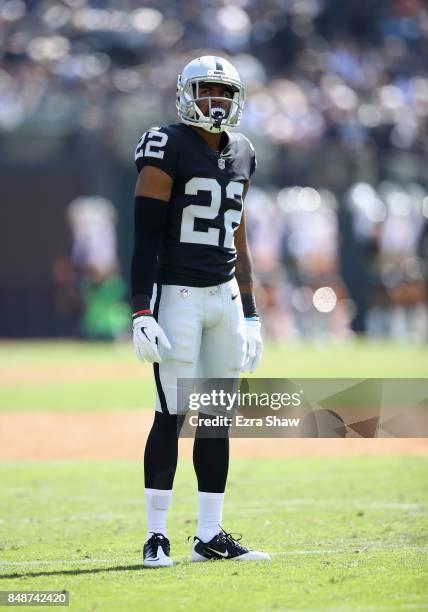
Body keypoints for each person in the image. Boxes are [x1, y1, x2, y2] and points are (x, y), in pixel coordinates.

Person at [131, 55, 270, 567]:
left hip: (224, 295)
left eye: (225, 93)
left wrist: (251, 310)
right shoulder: (165, 144)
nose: (218, 101)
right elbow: (145, 236)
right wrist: (141, 307)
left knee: (217, 418)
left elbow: (239, 234)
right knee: (171, 413)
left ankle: (209, 536)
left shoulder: (245, 152)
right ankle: (156, 535)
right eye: (207, 91)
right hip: (178, 294)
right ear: (186, 94)